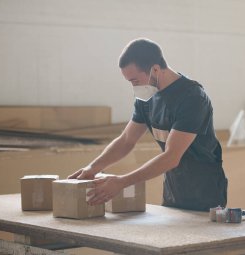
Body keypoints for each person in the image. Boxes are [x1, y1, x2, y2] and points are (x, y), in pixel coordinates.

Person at [68, 38, 227, 211]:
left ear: (155, 69)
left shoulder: (192, 98)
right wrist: (93, 168)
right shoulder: (147, 97)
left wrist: (121, 182)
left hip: (205, 194)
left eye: (135, 81)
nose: (134, 87)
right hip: (174, 190)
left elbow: (171, 157)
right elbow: (127, 140)